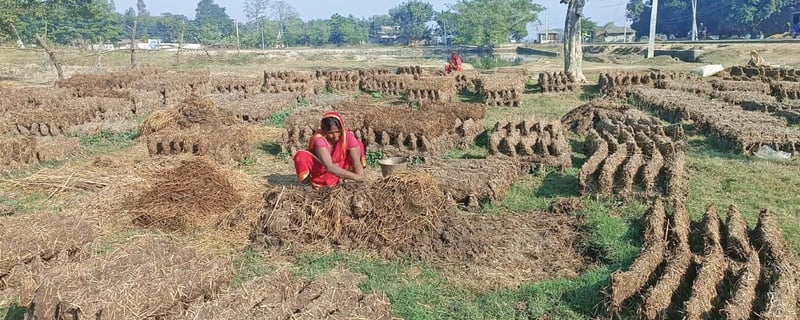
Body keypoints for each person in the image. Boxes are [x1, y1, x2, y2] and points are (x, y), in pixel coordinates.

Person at [293, 112, 367, 188]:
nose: (335, 136)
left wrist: (360, 178)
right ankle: (308, 186)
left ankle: (344, 177)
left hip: (342, 167)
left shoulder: (347, 136)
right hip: (323, 169)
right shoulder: (320, 140)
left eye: (338, 132)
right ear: (324, 131)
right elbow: (329, 166)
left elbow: (356, 161)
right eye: (331, 133)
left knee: (358, 144)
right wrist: (355, 177)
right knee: (301, 156)